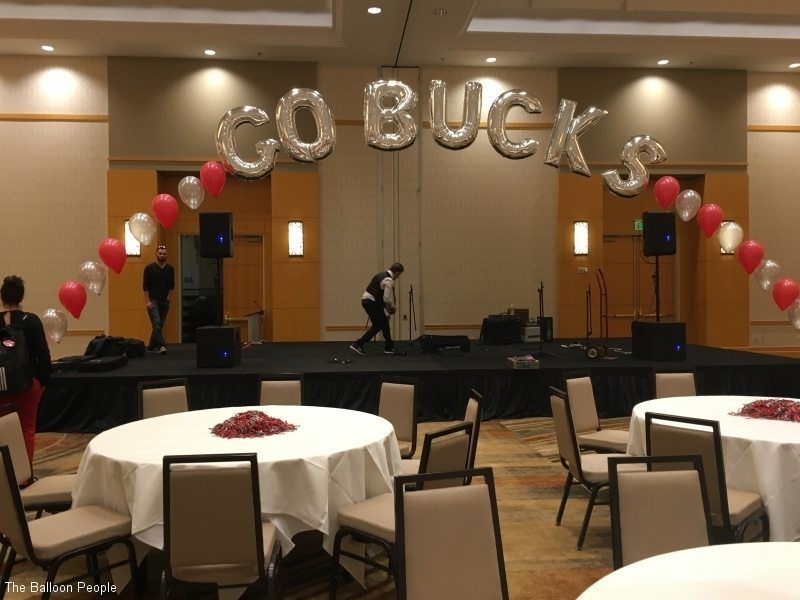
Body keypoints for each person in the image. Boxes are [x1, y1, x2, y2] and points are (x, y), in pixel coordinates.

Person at [0, 275, 51, 468]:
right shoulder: (31, 321)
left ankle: (4, 475)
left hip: (0, 385)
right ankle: (24, 475)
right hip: (27, 384)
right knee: (26, 429)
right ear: (21, 297)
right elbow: (43, 356)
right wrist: (42, 382)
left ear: (1, 297)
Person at [350, 262, 404, 355]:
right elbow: (386, 298)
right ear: (397, 272)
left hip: (367, 300)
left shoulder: (380, 274)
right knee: (378, 325)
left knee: (384, 322)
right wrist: (390, 308)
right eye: (399, 275)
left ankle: (389, 347)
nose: (398, 277)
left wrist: (386, 309)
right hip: (371, 302)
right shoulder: (389, 280)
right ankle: (358, 344)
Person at [143, 244, 175, 354]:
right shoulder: (149, 268)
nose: (162, 255)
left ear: (166, 255)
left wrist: (168, 298)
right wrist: (147, 301)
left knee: (159, 324)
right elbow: (145, 286)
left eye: (164, 254)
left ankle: (151, 346)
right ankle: (161, 345)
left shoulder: (170, 269)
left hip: (164, 300)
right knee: (156, 322)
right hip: (153, 300)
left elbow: (172, 285)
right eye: (160, 253)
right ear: (156, 254)